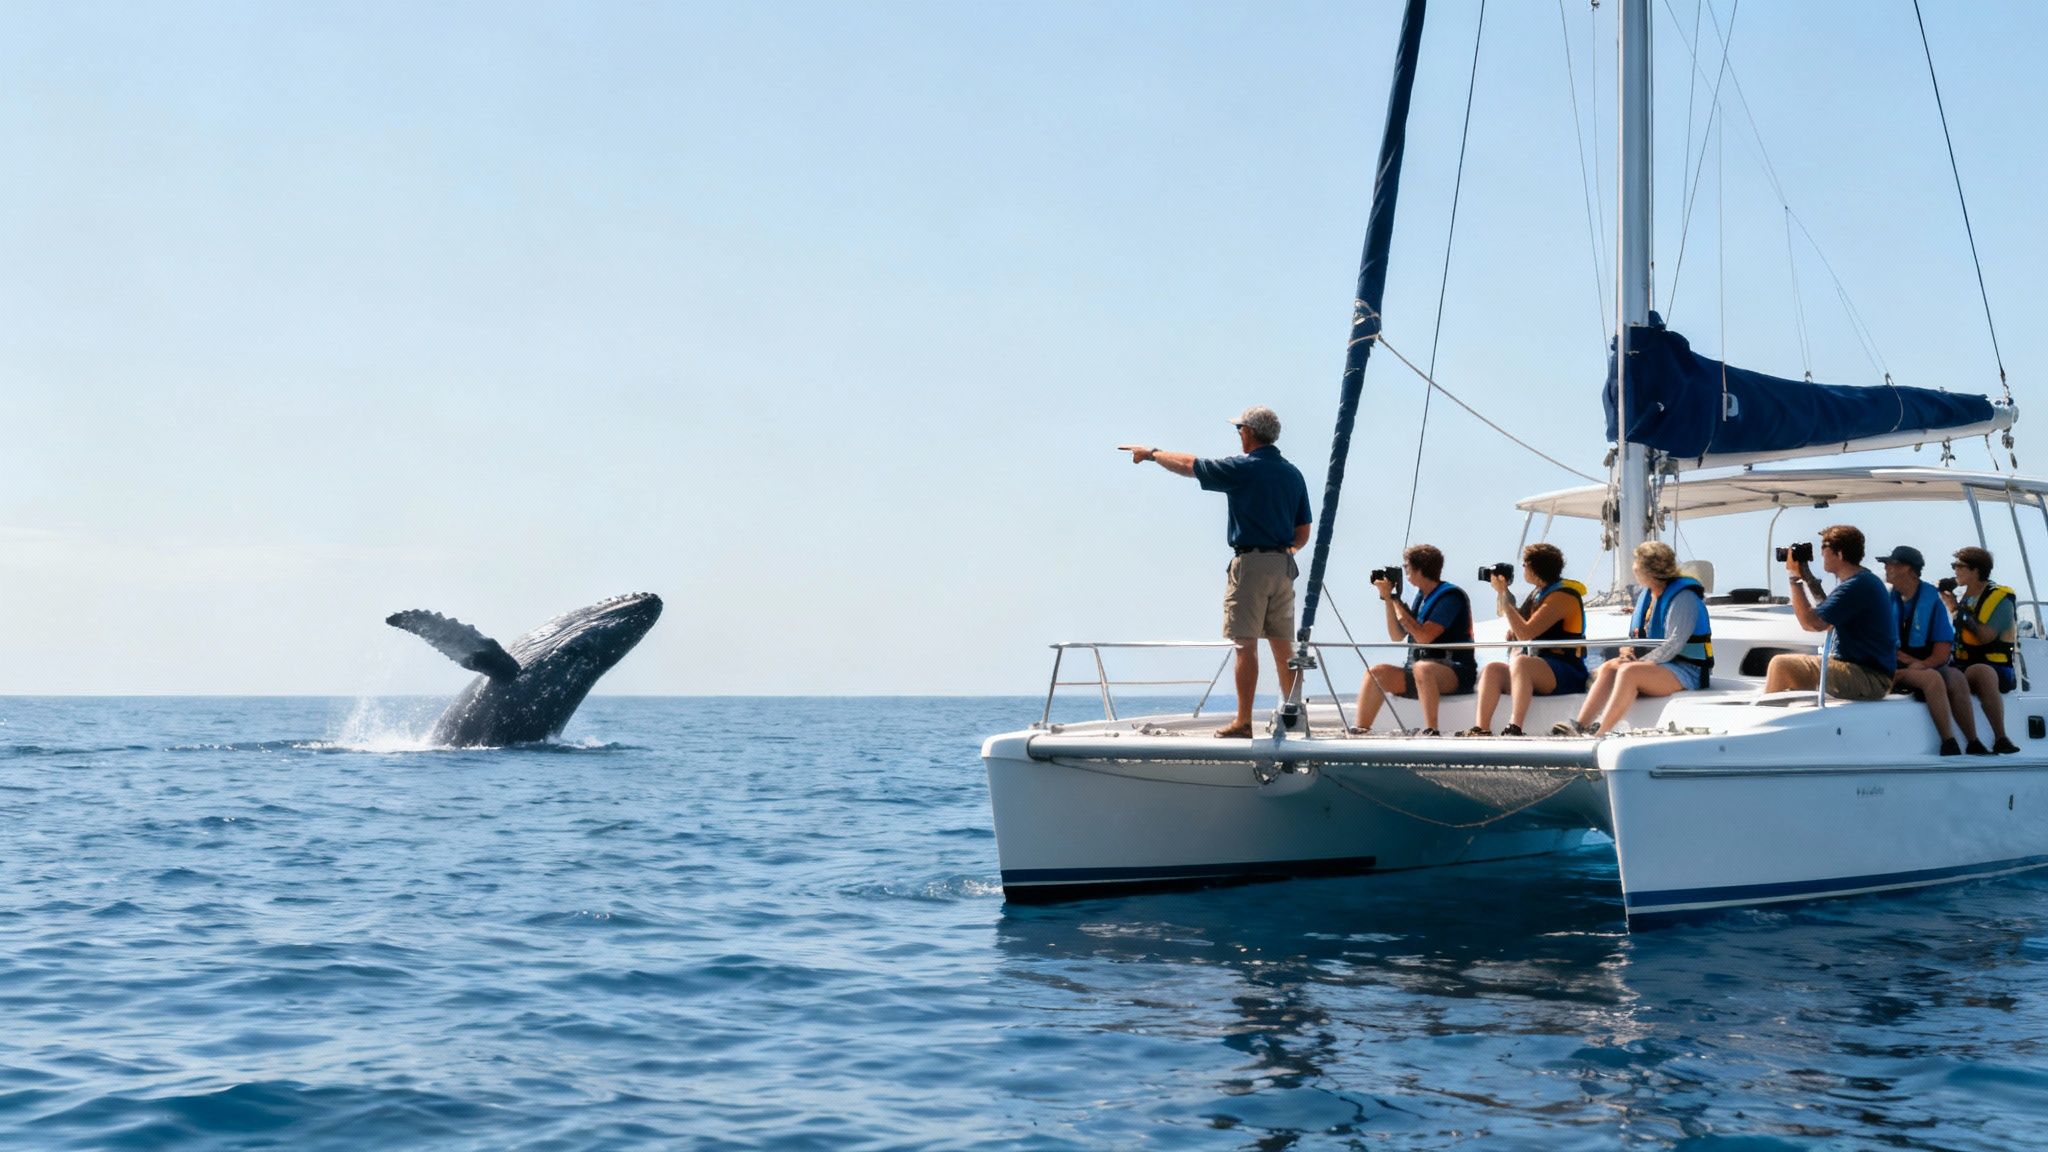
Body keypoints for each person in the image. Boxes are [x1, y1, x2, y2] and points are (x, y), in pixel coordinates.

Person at [1119, 406, 1312, 739]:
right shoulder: (1292, 474)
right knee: (1283, 646)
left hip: (1250, 564)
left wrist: (1151, 454)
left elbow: (1189, 465)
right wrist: (1285, 552)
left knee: (1244, 645)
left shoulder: (1242, 468)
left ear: (1248, 432)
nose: (1238, 434)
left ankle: (1243, 721)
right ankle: (1294, 715)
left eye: (1239, 429)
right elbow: (1304, 530)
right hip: (1283, 567)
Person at [1553, 540, 1710, 736]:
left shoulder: (1683, 598)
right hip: (1658, 666)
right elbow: (1637, 637)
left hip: (1687, 671)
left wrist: (1640, 661)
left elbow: (1675, 643)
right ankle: (1580, 726)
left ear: (1649, 568)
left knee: (1628, 672)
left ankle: (1599, 733)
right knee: (1611, 667)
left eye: (1637, 562)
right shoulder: (1649, 596)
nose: (1634, 567)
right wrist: (1627, 652)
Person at [1460, 543, 1588, 736]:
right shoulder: (1539, 593)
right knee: (1493, 670)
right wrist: (1502, 594)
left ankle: (1515, 726)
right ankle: (1482, 728)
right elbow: (1517, 628)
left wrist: (1505, 597)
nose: (1522, 570)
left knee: (1521, 664)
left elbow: (1525, 633)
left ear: (1535, 568)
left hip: (1566, 670)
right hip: (1539, 669)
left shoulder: (1563, 596)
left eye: (1525, 565)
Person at [1351, 544, 1475, 736]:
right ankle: (1359, 731)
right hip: (1420, 672)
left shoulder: (1450, 597)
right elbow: (1396, 635)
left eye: (1407, 566)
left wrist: (1396, 601)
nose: (1405, 571)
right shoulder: (1422, 598)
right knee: (1376, 673)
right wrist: (1389, 600)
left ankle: (1431, 730)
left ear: (1419, 569)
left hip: (1455, 671)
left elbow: (1424, 637)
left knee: (1423, 668)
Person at [1764, 524, 1897, 701]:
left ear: (1839, 554)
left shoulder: (1857, 586)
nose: (1820, 554)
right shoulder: (1863, 582)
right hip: (1870, 674)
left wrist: (1793, 579)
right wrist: (1807, 576)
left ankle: (1769, 718)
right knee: (1797, 669)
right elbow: (1828, 615)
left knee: (1781, 665)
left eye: (1824, 548)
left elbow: (1811, 623)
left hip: (1869, 678)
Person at [1877, 545, 1978, 755]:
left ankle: (1973, 742)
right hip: (1892, 668)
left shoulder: (1931, 600)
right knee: (1932, 678)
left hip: (1920, 664)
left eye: (1890, 563)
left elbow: (1942, 651)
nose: (1885, 567)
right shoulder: (1885, 600)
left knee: (1956, 677)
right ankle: (1948, 741)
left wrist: (1920, 664)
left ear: (1906, 568)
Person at [1940, 545, 2022, 754]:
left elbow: (1986, 636)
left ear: (1975, 570)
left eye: (1959, 566)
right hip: (1961, 665)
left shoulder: (2001, 599)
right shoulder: (1964, 598)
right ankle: (1971, 741)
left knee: (1981, 672)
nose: (1955, 570)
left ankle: (2001, 737)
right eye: (1954, 565)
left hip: (1995, 668)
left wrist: (1957, 610)